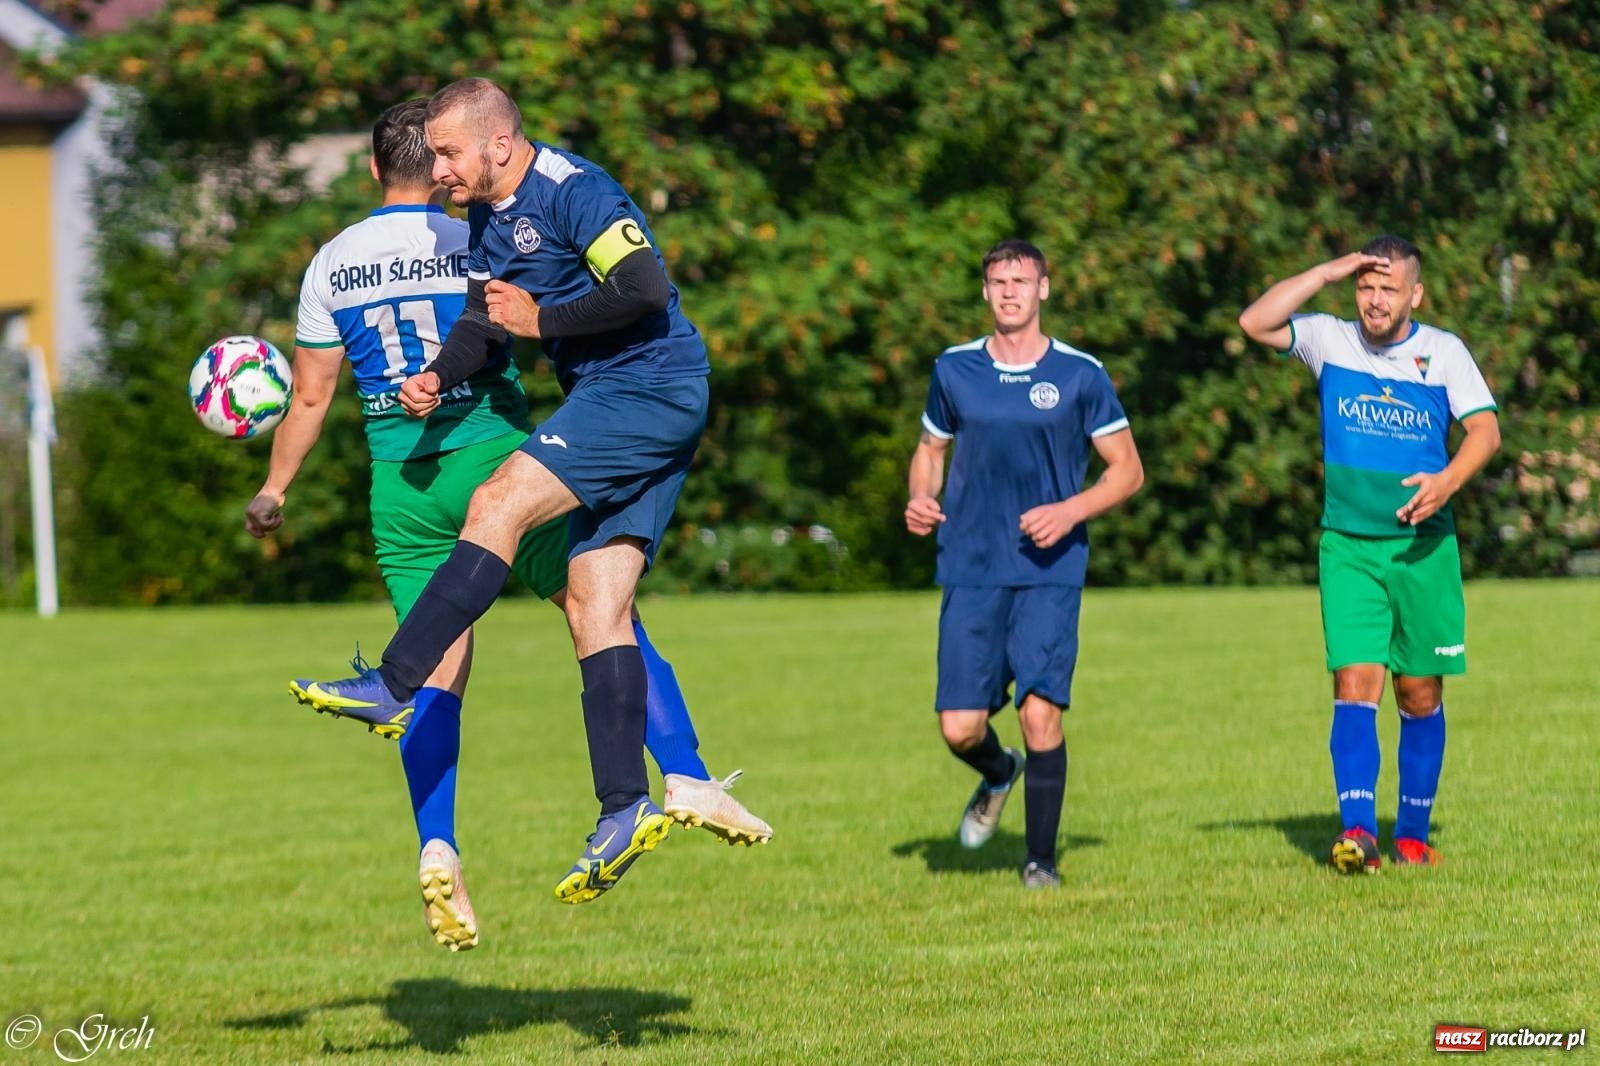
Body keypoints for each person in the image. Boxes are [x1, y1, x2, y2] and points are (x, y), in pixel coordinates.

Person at [256, 99, 768, 941]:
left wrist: (547, 322)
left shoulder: (577, 191)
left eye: (451, 152)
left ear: (500, 142)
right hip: (618, 396)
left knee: (498, 502)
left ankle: (393, 684)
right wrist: (434, 372)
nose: (441, 169)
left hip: (646, 388)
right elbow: (483, 324)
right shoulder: (487, 218)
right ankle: (629, 804)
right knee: (597, 604)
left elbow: (647, 288)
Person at [1237, 235, 1500, 874]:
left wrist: (1446, 483)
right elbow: (1255, 322)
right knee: (1356, 684)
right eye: (1365, 286)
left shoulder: (1442, 353)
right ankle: (1358, 833)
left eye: (1388, 288)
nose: (1374, 300)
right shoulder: (1332, 340)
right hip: (1348, 546)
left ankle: (1411, 833)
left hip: (1421, 550)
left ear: (1416, 294)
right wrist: (1326, 270)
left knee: (1417, 691)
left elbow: (1485, 431)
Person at [905, 239, 1144, 888]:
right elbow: (930, 448)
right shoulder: (954, 370)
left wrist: (1069, 512)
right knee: (959, 728)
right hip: (971, 563)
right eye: (997, 282)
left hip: (1049, 567)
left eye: (1021, 280)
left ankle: (1040, 861)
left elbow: (1128, 471)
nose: (1009, 291)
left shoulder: (1080, 374)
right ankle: (996, 770)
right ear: (985, 292)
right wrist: (920, 496)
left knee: (1041, 713)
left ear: (1044, 288)